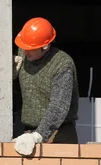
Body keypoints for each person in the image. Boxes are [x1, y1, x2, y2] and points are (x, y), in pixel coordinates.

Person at [12, 17, 79, 155]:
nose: (25, 52)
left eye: (30, 49)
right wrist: (7, 74)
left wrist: (38, 135)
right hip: (28, 131)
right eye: (24, 47)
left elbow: (58, 106)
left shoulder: (61, 65)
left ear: (45, 46)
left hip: (58, 133)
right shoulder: (24, 54)